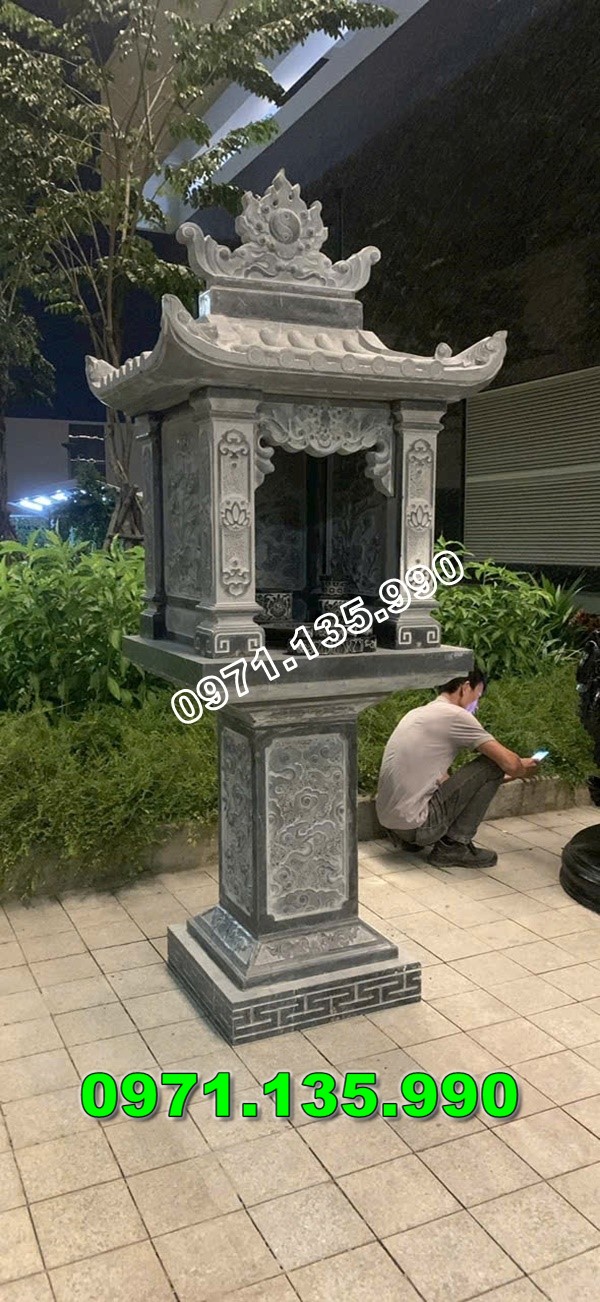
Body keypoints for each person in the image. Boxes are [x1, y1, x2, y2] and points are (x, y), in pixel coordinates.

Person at [375, 667, 540, 868]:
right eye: (477, 697)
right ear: (465, 688)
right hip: (416, 826)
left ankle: (411, 841)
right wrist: (522, 768)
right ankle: (453, 847)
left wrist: (504, 776)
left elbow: (443, 779)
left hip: (391, 823)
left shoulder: (419, 713)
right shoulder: (456, 715)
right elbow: (510, 764)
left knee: (488, 770)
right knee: (491, 764)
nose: (476, 705)